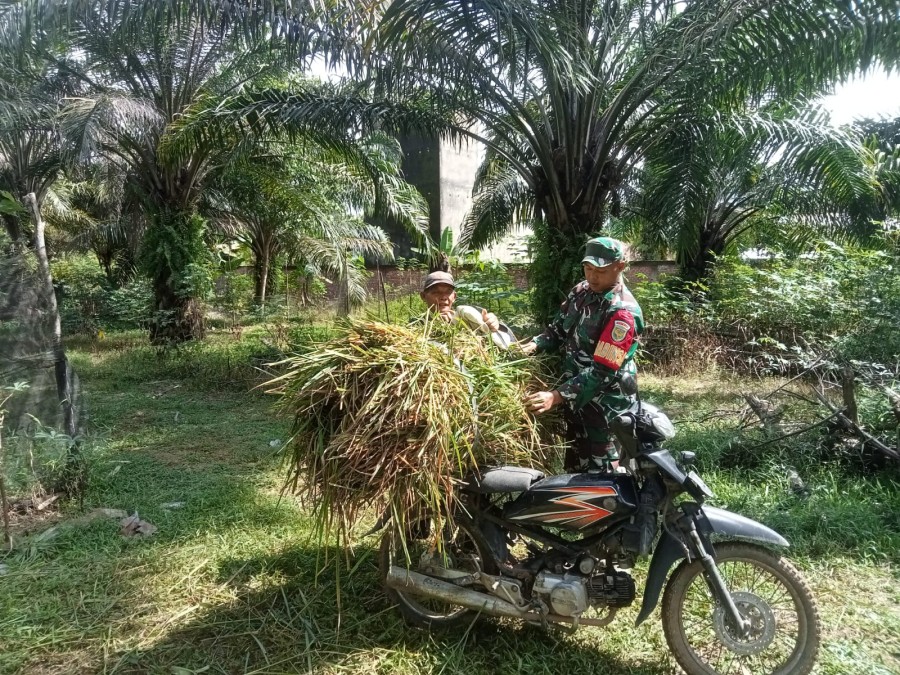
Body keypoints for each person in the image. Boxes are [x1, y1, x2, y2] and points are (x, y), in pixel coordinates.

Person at [520, 237, 644, 471]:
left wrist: (556, 396)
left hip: (606, 409)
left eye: (601, 271)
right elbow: (557, 331)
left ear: (620, 266)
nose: (593, 277)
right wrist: (531, 346)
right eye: (588, 269)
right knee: (576, 469)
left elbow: (603, 371)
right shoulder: (581, 292)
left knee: (605, 475)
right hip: (577, 402)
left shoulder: (622, 313)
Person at [420, 271, 516, 348]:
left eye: (448, 292)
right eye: (436, 292)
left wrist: (494, 325)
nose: (443, 297)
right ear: (423, 296)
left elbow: (511, 340)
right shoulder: (418, 325)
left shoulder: (468, 315)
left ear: (454, 297)